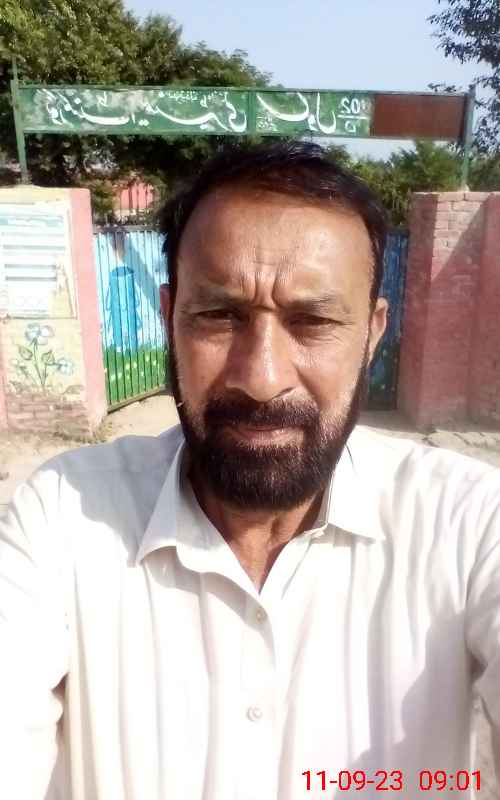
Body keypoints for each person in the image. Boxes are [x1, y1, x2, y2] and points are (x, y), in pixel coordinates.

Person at [0, 140, 499, 800]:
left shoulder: (470, 525)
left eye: (313, 321)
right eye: (219, 316)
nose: (261, 378)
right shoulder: (62, 518)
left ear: (372, 335)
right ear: (169, 318)